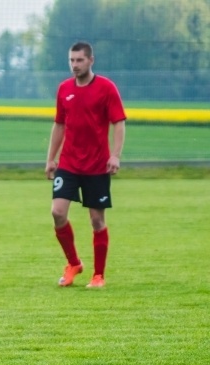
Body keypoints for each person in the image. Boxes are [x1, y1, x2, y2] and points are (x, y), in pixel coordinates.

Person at [46, 41, 126, 289]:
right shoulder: (64, 89)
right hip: (69, 163)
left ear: (91, 60)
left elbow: (119, 122)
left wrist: (115, 155)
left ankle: (98, 275)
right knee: (57, 212)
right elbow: (59, 124)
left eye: (79, 60)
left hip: (96, 166)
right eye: (71, 60)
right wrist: (51, 158)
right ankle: (74, 264)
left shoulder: (106, 88)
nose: (74, 65)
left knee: (96, 220)